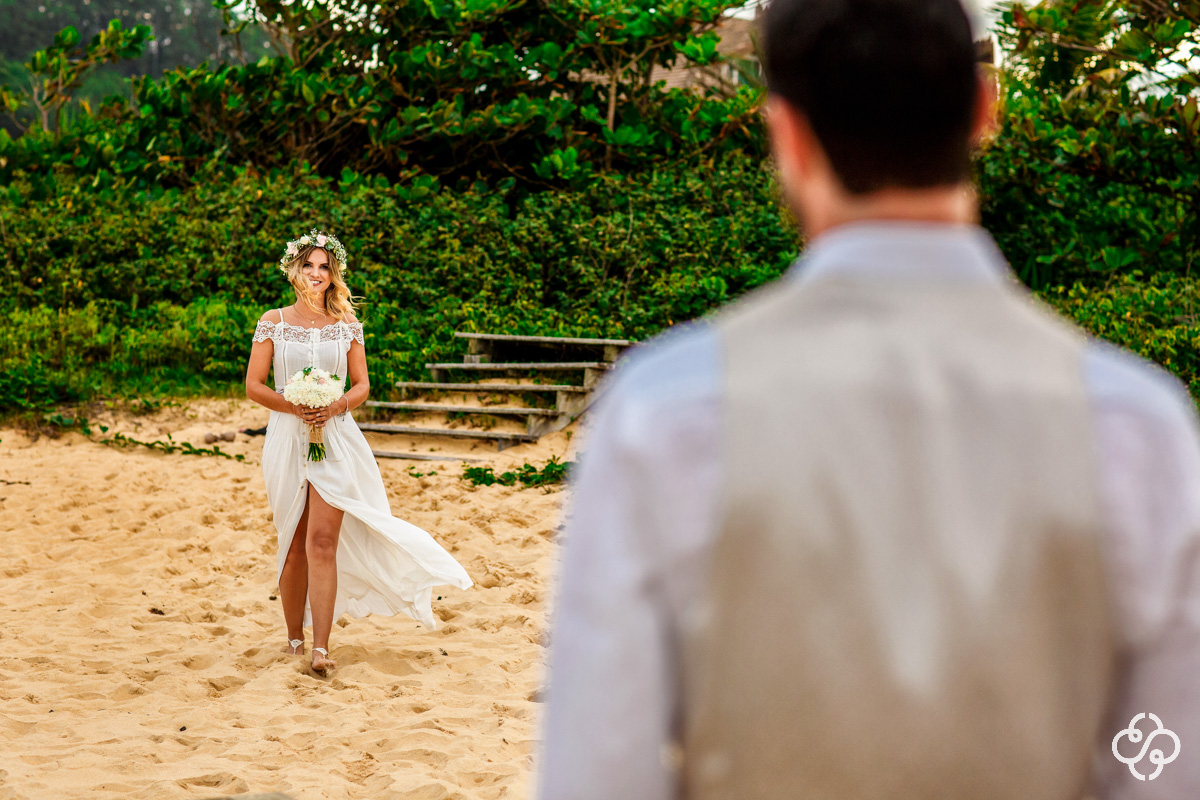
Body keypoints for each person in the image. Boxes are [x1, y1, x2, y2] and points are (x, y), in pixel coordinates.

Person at [537, 0, 1200, 797]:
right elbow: (1162, 754)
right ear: (984, 110)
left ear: (785, 131)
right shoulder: (1139, 424)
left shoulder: (664, 413)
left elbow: (602, 770)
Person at [245, 229, 472, 676]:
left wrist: (335, 405)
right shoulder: (273, 320)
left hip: (336, 436)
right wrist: (293, 405)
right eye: (308, 265)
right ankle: (294, 640)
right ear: (295, 270)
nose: (315, 274)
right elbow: (254, 386)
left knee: (323, 542)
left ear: (334, 275)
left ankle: (322, 647)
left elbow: (363, 385)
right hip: (287, 438)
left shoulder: (348, 325)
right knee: (294, 545)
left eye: (324, 267)